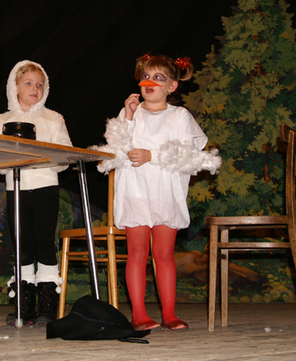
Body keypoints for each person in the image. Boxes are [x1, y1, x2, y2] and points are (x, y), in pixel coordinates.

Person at [94, 54, 221, 332]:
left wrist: (151, 155)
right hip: (135, 192)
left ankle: (169, 314)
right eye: (146, 76)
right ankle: (139, 315)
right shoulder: (130, 113)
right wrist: (128, 117)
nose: (150, 82)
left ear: (172, 86)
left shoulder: (180, 116)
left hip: (165, 193)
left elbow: (189, 155)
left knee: (163, 254)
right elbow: (114, 149)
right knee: (137, 252)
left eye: (158, 78)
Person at [0, 60, 73, 326]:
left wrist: (43, 156)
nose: (34, 88)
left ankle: (47, 304)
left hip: (46, 187)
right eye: (28, 83)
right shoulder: (0, 121)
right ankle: (24, 305)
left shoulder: (54, 118)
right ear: (14, 87)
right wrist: (10, 160)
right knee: (22, 246)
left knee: (45, 244)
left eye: (40, 84)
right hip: (16, 189)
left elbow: (66, 155)